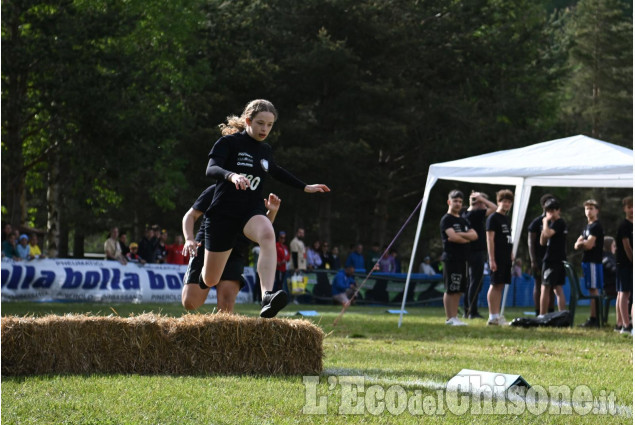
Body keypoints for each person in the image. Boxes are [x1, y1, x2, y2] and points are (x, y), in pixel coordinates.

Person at [200, 99, 330, 319]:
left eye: (269, 125)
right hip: (223, 214)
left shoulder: (265, 150)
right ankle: (199, 266)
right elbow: (211, 168)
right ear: (248, 120)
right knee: (210, 279)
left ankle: (267, 296)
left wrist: (305, 187)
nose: (265, 129)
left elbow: (276, 171)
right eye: (260, 123)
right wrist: (231, 175)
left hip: (250, 210)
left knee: (268, 234)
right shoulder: (229, 143)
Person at [182, 183, 282, 313]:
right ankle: (205, 275)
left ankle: (218, 328)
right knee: (190, 302)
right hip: (208, 247)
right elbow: (190, 216)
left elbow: (258, 232)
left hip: (235, 250)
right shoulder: (216, 189)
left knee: (227, 305)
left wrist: (272, 212)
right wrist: (189, 239)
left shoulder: (253, 196)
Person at [440, 190, 477, 326]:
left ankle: (455, 316)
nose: (458, 204)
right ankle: (449, 318)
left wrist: (461, 235)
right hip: (451, 258)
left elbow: (474, 235)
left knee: (459, 289)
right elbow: (453, 237)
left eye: (460, 202)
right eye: (455, 201)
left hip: (463, 259)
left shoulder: (463, 219)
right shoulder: (446, 219)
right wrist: (464, 237)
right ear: (449, 202)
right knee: (451, 288)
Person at [462, 191, 497, 319]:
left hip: (467, 251)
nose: (485, 207)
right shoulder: (476, 214)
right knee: (475, 282)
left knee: (470, 282)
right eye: (483, 203)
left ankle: (467, 310)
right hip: (476, 252)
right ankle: (472, 311)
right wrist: (482, 199)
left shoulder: (464, 213)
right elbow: (494, 208)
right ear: (480, 203)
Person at [574, 199, 604, 328]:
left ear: (597, 210)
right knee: (591, 290)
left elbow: (589, 245)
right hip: (586, 261)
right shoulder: (586, 227)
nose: (589, 211)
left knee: (593, 290)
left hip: (593, 261)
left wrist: (583, 244)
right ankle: (593, 318)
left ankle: (595, 319)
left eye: (592, 208)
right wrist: (582, 244)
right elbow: (576, 245)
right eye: (587, 208)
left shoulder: (596, 226)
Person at [485, 189, 514, 326]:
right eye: (504, 201)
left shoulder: (506, 218)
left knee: (500, 285)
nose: (507, 204)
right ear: (498, 202)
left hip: (505, 257)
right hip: (496, 256)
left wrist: (511, 252)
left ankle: (497, 315)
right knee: (494, 284)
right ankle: (492, 316)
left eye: (509, 202)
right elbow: (490, 239)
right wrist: (491, 259)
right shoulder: (493, 218)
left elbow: (507, 238)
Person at [527, 194, 556, 316]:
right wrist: (533, 259)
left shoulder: (556, 222)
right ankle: (538, 311)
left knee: (552, 285)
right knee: (539, 284)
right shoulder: (537, 222)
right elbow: (531, 241)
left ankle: (550, 311)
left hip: (553, 258)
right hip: (540, 258)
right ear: (543, 205)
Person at [539, 198, 568, 316]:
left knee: (547, 287)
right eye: (548, 210)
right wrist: (545, 226)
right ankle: (560, 314)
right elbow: (542, 241)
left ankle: (543, 315)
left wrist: (545, 222)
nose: (550, 213)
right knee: (555, 288)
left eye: (553, 210)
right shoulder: (551, 224)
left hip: (553, 259)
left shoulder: (559, 223)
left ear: (558, 210)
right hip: (553, 258)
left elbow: (548, 234)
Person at [615, 196, 633, 335]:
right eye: (629, 207)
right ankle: (625, 325)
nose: (632, 210)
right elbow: (627, 247)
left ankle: (623, 323)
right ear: (625, 209)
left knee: (626, 293)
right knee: (624, 293)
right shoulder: (624, 226)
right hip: (625, 264)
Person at [602, 237, 618, 330]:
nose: (615, 248)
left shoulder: (609, 257)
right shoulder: (606, 258)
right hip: (611, 288)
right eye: (614, 246)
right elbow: (614, 270)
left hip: (613, 286)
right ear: (609, 247)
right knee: (626, 292)